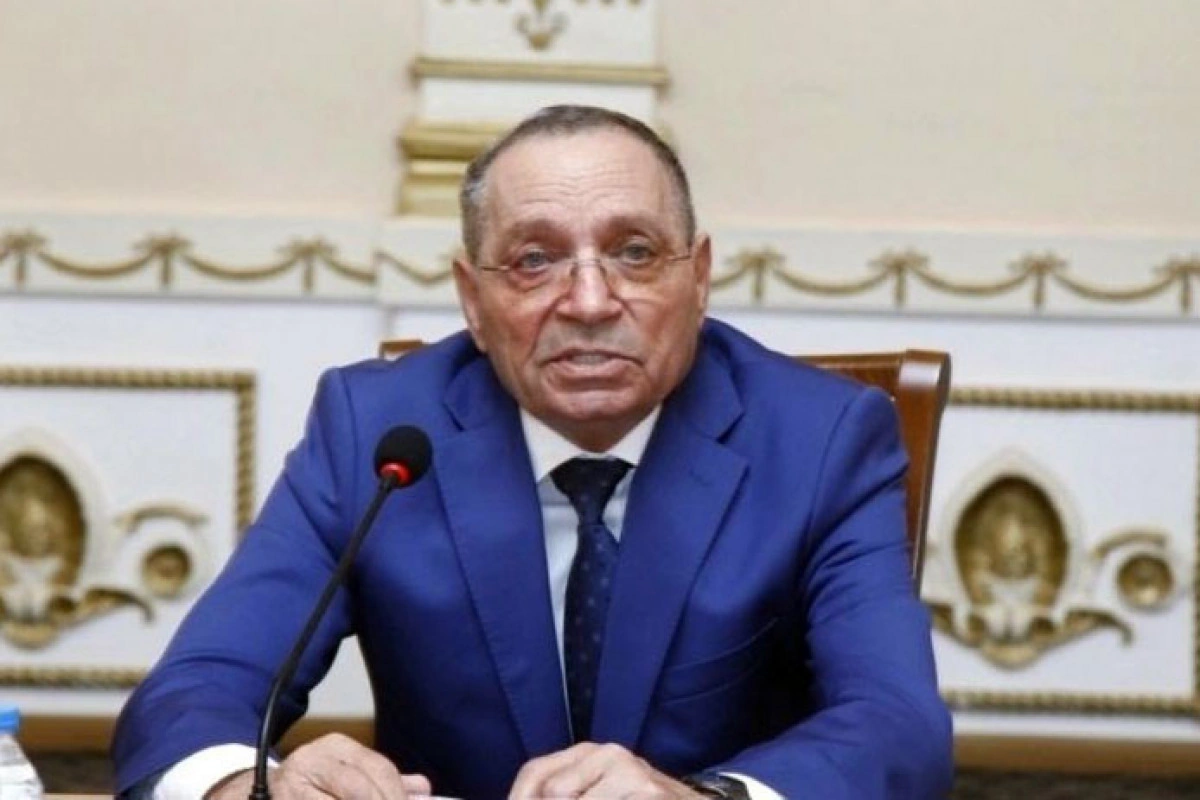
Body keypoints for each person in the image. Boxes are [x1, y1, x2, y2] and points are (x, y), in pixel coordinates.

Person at [113, 105, 953, 799]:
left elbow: (897, 727)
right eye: (534, 260)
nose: (588, 301)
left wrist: (701, 799)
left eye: (634, 252)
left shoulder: (822, 439)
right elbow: (196, 689)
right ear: (472, 301)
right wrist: (249, 786)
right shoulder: (375, 431)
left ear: (698, 279)